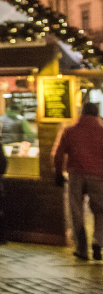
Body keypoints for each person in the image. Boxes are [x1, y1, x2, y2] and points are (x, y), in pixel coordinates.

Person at [52, 102, 103, 261]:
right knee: (100, 210)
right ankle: (98, 242)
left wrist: (58, 174)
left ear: (82, 113)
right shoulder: (102, 132)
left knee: (76, 211)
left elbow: (58, 155)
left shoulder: (70, 131)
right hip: (98, 175)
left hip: (75, 174)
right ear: (96, 115)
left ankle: (82, 249)